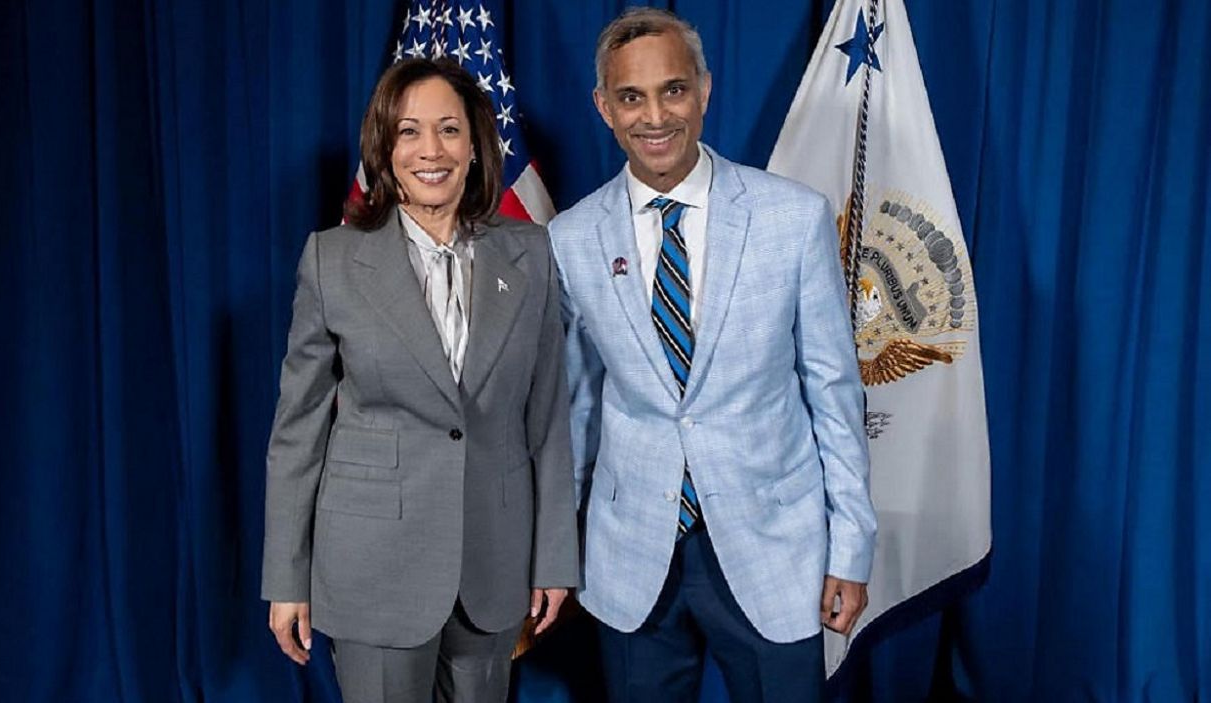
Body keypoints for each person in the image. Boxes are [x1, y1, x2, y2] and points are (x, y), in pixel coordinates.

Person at [548, 8, 877, 702]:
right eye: (631, 97)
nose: (654, 116)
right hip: (631, 557)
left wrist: (851, 545)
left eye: (673, 89)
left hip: (774, 550)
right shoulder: (571, 238)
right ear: (604, 108)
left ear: (703, 89)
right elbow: (576, 409)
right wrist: (552, 549)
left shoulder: (792, 218)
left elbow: (834, 393)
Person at [261, 57, 578, 703]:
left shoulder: (531, 253)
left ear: (476, 144)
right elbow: (298, 432)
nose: (431, 150)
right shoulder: (332, 260)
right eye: (409, 131)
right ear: (384, 147)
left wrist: (553, 557)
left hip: (493, 563)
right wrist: (286, 577)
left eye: (449, 129)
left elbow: (546, 419)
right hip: (374, 567)